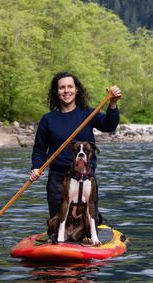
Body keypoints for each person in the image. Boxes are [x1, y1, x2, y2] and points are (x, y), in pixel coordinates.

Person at [29, 71, 122, 226]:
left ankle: (91, 233)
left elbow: (109, 125)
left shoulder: (88, 113)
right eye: (62, 88)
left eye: (70, 86)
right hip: (58, 178)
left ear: (76, 89)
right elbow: (39, 150)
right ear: (56, 91)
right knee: (58, 223)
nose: (66, 91)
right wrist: (36, 167)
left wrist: (113, 104)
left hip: (85, 176)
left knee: (89, 223)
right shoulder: (48, 119)